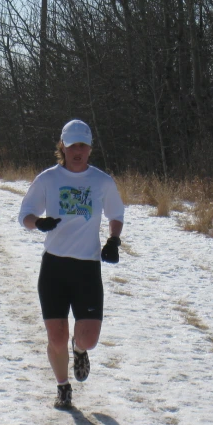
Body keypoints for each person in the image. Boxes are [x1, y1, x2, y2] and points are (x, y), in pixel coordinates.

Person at [18, 119, 125, 409]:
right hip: (54, 267)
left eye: (83, 145)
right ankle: (63, 387)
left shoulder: (101, 181)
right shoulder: (48, 179)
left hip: (87, 268)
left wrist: (114, 240)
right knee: (56, 336)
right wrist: (38, 223)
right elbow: (24, 214)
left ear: (90, 148)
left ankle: (80, 350)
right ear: (62, 146)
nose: (78, 150)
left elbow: (117, 214)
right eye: (72, 145)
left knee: (88, 338)